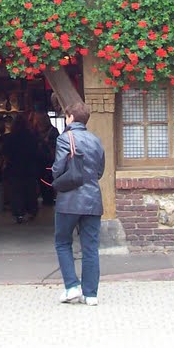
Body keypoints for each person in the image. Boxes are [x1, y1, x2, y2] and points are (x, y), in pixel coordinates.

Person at [52, 101, 105, 306]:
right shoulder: (96, 140)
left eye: (67, 116)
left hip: (69, 201)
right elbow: (99, 172)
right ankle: (91, 294)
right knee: (90, 247)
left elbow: (58, 169)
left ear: (71, 118)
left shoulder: (65, 138)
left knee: (63, 242)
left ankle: (72, 287)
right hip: (93, 200)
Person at [2, 113, 40, 224]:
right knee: (30, 190)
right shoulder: (31, 136)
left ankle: (18, 213)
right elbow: (36, 151)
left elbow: (5, 152)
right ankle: (31, 211)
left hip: (14, 167)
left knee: (16, 191)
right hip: (29, 167)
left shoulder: (10, 137)